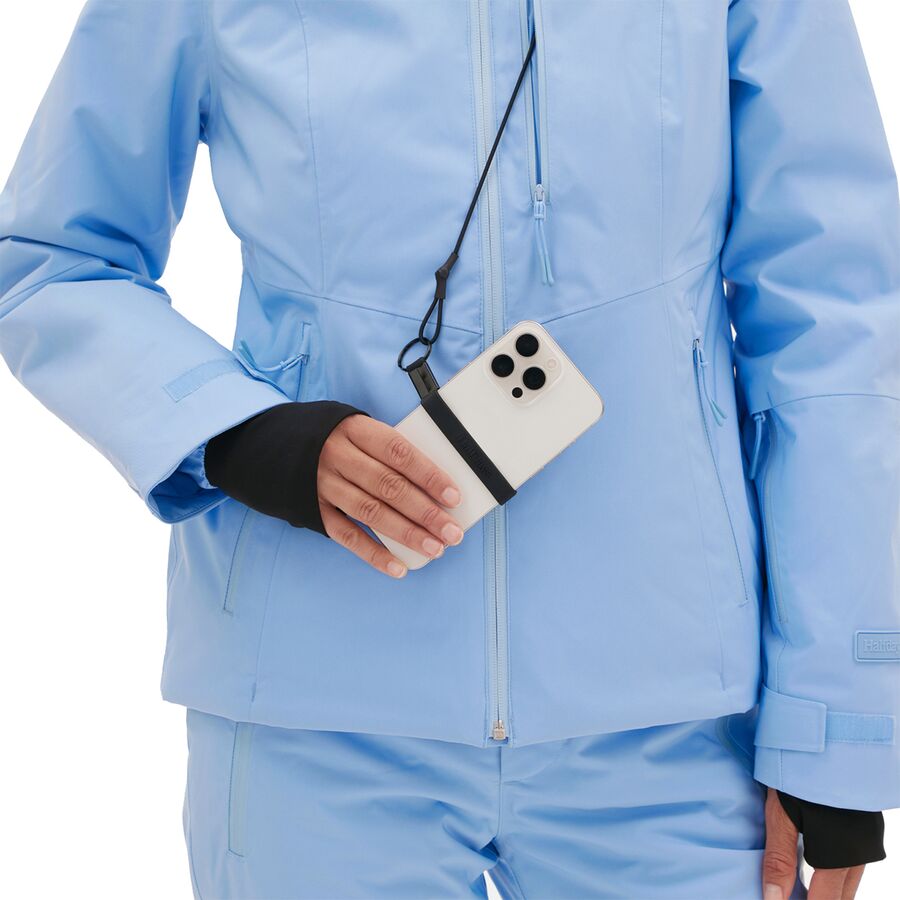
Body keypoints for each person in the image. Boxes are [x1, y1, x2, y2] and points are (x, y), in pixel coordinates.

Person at [1, 1, 897, 897]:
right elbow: (49, 260)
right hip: (314, 715)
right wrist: (242, 434)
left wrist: (833, 724)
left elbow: (834, 320)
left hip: (678, 732)